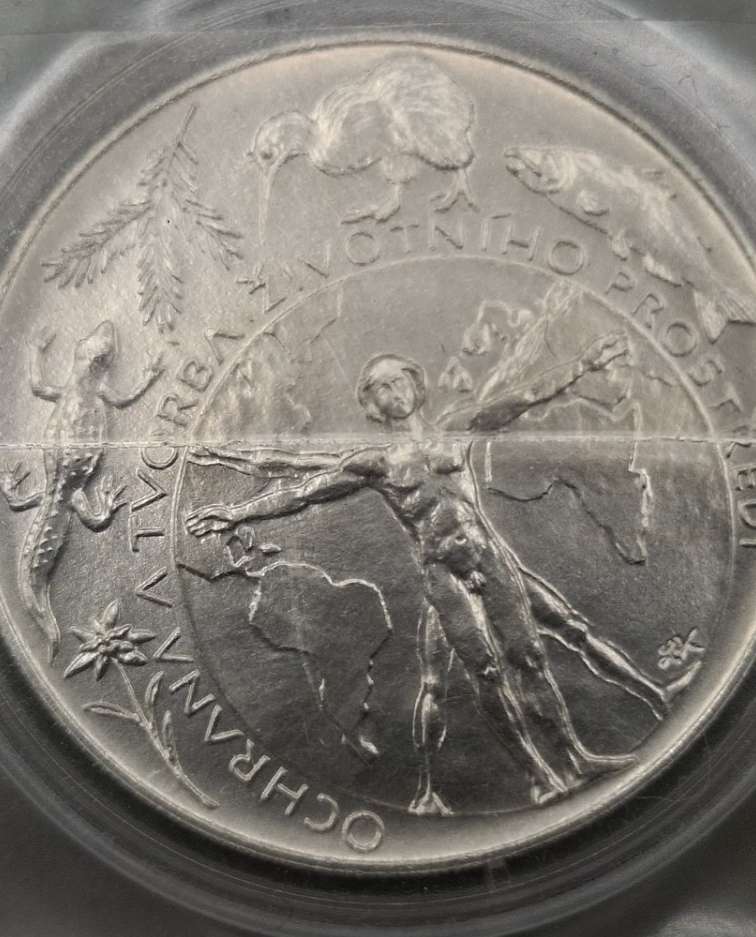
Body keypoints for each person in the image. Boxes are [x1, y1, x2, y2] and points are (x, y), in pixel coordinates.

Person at [185, 330, 694, 814]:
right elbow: (302, 494)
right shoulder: (378, 463)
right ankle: (538, 777)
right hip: (444, 573)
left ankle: (575, 759)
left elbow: (525, 396)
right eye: (381, 388)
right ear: (371, 405)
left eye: (399, 381)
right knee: (488, 673)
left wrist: (583, 364)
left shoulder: (458, 428)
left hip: (490, 558)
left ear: (416, 385)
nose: (394, 393)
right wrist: (234, 513)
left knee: (531, 658)